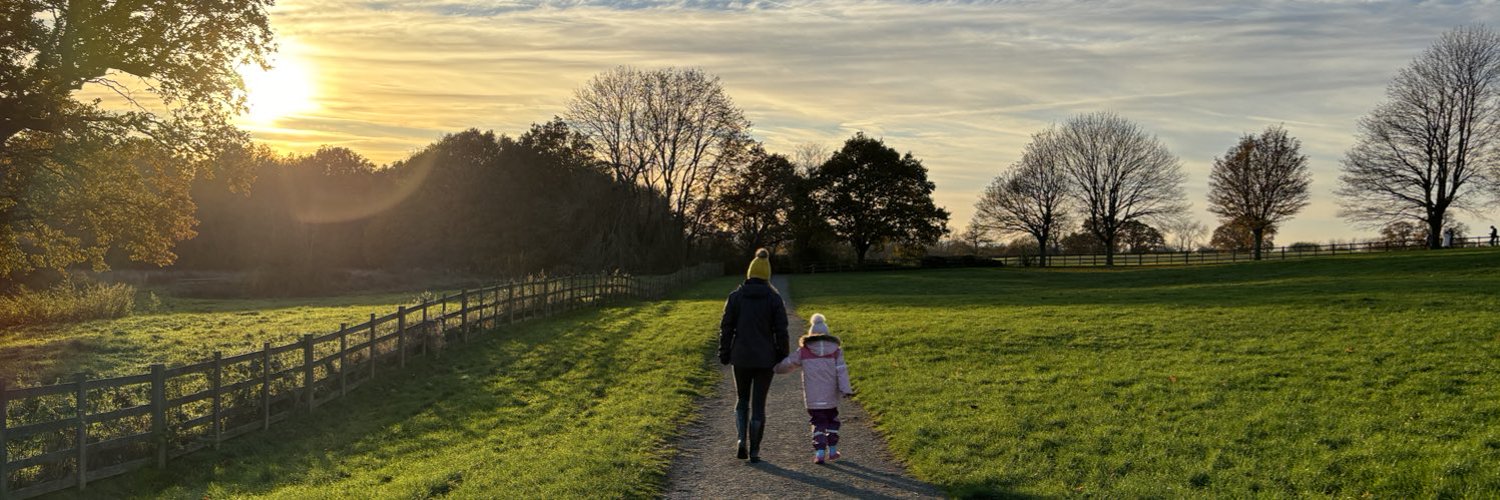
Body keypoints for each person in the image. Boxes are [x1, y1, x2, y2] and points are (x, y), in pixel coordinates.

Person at [718, 248, 789, 463]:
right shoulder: (774, 299)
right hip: (765, 359)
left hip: (741, 357)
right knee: (759, 403)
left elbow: (726, 327)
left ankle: (741, 440)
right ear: (767, 275)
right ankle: (755, 449)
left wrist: (725, 351)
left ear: (749, 273)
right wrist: (782, 354)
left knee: (742, 399)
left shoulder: (735, 297)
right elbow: (781, 330)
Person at [775, 313, 854, 465]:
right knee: (832, 421)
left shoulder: (804, 350)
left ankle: (819, 452)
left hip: (812, 397)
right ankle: (832, 450)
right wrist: (846, 390)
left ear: (811, 333)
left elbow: (789, 363)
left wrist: (776, 368)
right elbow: (842, 371)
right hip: (831, 396)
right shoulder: (836, 351)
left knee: (817, 422)